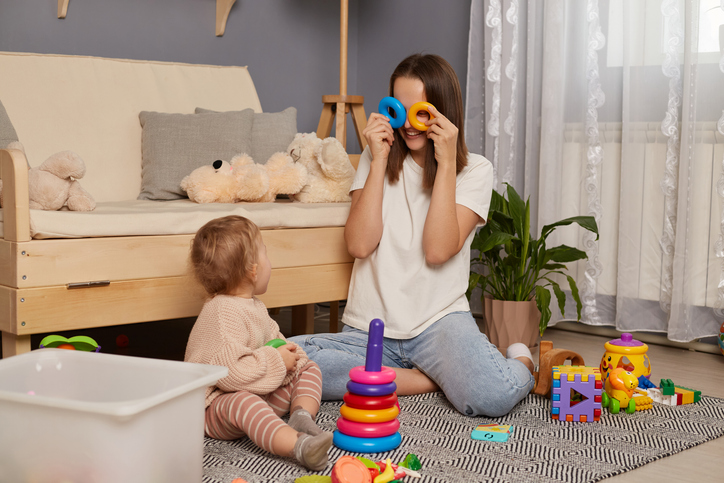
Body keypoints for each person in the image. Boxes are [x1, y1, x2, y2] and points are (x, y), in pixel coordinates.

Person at [290, 54, 535, 417]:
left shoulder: (475, 170)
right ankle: (428, 380)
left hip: (439, 325)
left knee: (491, 394)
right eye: (398, 110)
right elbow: (359, 244)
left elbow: (437, 250)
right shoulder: (378, 159)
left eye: (419, 112)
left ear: (442, 111)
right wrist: (377, 162)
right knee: (288, 363)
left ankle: (523, 362)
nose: (408, 125)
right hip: (368, 328)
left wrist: (447, 161)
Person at [185, 215, 333, 471]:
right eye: (266, 254)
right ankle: (298, 446)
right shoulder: (221, 312)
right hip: (215, 406)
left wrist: (293, 357)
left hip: (256, 388)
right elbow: (230, 376)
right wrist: (277, 360)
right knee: (245, 401)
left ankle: (301, 417)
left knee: (309, 368)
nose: (270, 263)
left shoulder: (255, 307)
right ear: (253, 269)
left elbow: (276, 342)